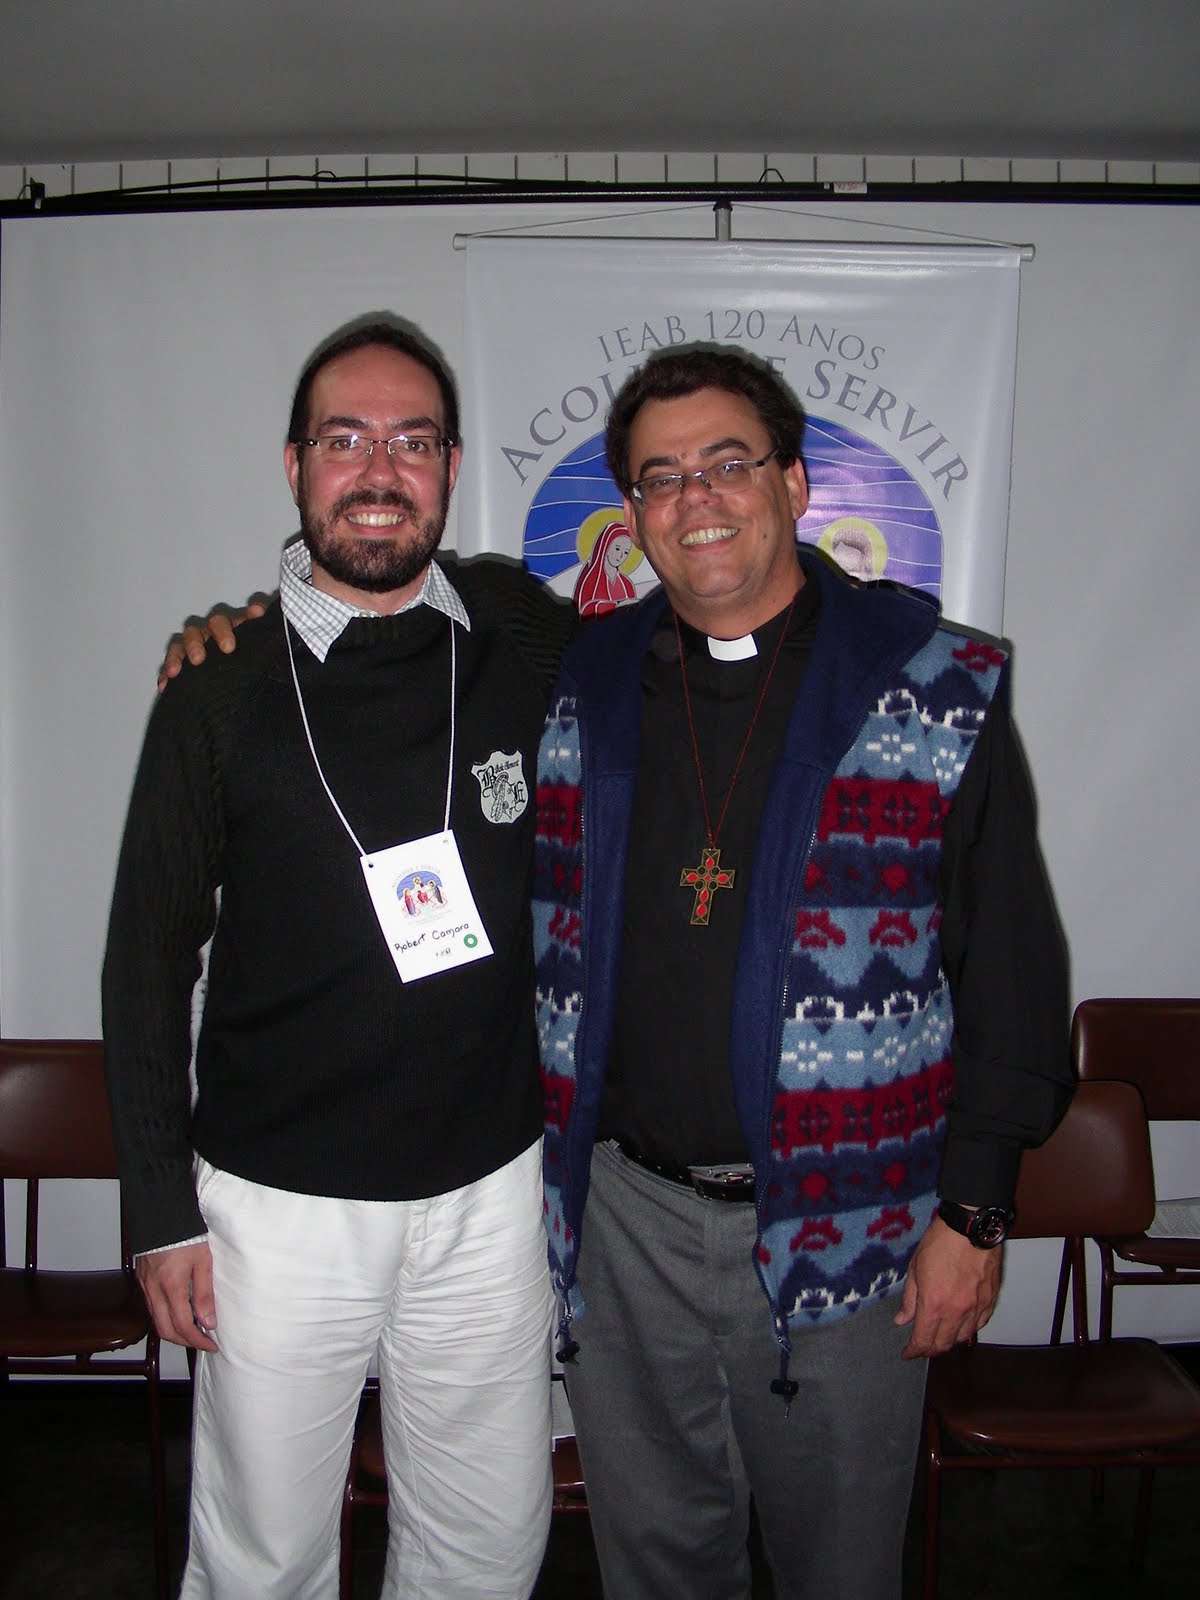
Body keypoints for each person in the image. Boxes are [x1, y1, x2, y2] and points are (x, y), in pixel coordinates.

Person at [533, 344, 1072, 1599]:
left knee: (840, 1567)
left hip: (859, 1225)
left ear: (794, 483)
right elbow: (401, 599)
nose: (697, 498)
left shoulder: (940, 683)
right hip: (621, 1219)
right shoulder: (577, 677)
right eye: (660, 478)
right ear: (632, 514)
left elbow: (1014, 973)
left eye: (729, 462)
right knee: (655, 1562)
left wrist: (974, 1211)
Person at [103, 317, 574, 1600]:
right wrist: (157, 1210)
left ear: (453, 465)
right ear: (296, 466)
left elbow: (700, 639)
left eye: (412, 440)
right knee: (263, 1553)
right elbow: (147, 960)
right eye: (347, 439)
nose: (380, 469)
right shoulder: (217, 687)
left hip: (490, 1190)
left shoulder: (522, 637)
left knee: (486, 1541)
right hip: (276, 1204)